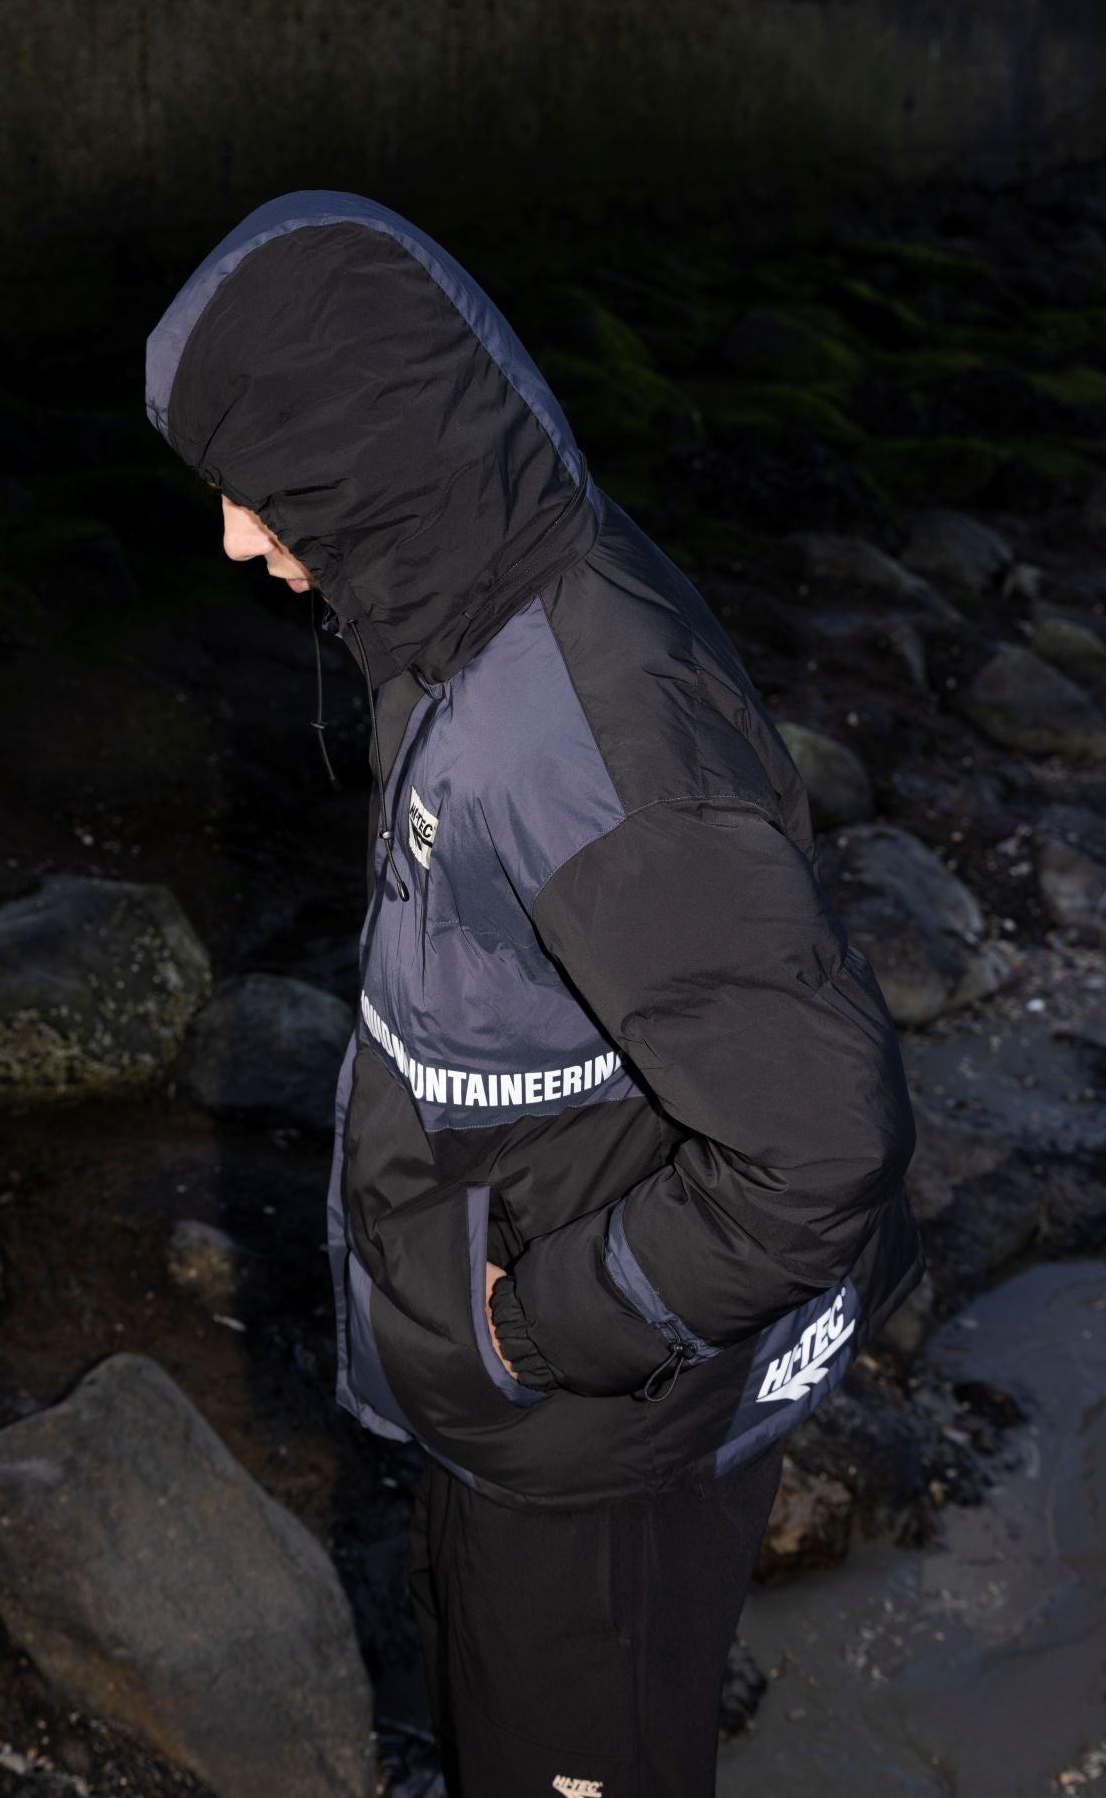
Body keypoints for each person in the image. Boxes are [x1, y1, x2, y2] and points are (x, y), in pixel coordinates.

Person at [145, 192, 925, 1797]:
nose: (232, 535)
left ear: (365, 456)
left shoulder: (587, 742)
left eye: (258, 484)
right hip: (513, 1409)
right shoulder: (450, 611)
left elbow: (824, 1145)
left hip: (601, 1445)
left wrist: (531, 1324)